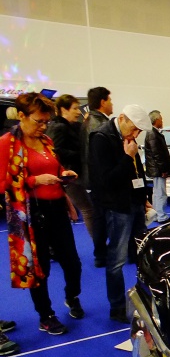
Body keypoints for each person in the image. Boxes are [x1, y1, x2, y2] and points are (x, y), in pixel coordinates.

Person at [0, 92, 84, 336]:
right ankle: (45, 315)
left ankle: (72, 296)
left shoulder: (46, 141)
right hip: (29, 213)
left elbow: (55, 170)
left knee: (72, 262)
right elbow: (2, 182)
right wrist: (33, 180)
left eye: (46, 121)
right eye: (38, 121)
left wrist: (65, 177)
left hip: (56, 206)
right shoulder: (8, 142)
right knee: (40, 267)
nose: (43, 126)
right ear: (22, 116)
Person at [89, 104, 152, 323]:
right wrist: (127, 157)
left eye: (139, 132)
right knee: (116, 260)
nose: (135, 135)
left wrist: (144, 196)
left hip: (134, 202)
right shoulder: (101, 138)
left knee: (142, 254)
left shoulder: (128, 137)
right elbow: (105, 180)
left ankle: (143, 296)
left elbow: (138, 170)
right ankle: (116, 306)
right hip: (117, 207)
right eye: (134, 129)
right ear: (122, 118)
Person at [47, 94, 95, 237]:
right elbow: (56, 151)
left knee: (88, 209)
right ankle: (100, 248)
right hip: (69, 176)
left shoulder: (68, 126)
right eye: (74, 108)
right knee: (88, 210)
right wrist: (81, 154)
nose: (77, 111)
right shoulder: (59, 127)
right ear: (64, 109)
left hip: (72, 175)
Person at [80, 86, 113, 267]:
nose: (112, 103)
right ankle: (101, 254)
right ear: (103, 102)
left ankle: (101, 252)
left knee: (99, 217)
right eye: (110, 100)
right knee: (101, 217)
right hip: (99, 179)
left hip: (92, 178)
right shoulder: (99, 125)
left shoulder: (88, 121)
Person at [144, 110, 170, 223]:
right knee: (160, 193)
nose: (162, 120)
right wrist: (163, 170)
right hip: (158, 170)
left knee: (157, 193)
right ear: (156, 120)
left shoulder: (153, 132)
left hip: (156, 170)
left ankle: (157, 214)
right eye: (161, 118)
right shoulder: (153, 133)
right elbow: (157, 154)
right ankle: (161, 216)